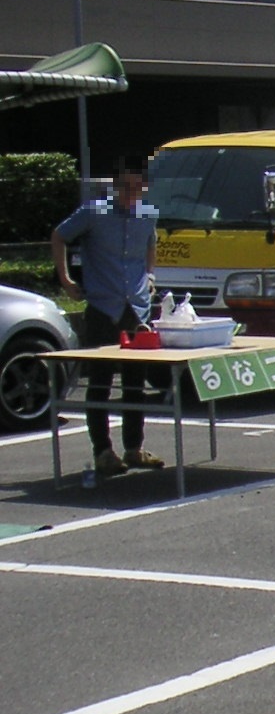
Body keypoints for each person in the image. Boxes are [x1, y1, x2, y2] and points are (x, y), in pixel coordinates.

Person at [51, 157, 164, 476]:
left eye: (138, 187)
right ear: (115, 187)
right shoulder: (94, 212)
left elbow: (150, 245)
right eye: (126, 187)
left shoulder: (147, 214)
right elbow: (59, 235)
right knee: (100, 381)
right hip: (103, 306)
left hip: (137, 307)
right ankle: (103, 451)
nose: (132, 193)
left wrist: (151, 276)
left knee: (134, 382)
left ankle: (133, 448)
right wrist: (66, 279)